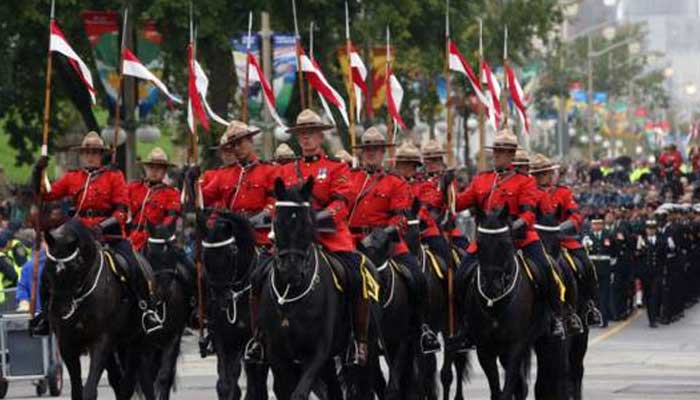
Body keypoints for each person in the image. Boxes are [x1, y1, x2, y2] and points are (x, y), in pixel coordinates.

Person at [30, 131, 163, 335]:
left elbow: (121, 211)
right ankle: (46, 316)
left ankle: (147, 310)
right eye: (87, 152)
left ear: (101, 155)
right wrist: (38, 171)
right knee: (51, 267)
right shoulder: (72, 177)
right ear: (82, 155)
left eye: (95, 152)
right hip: (76, 236)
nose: (90, 156)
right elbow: (45, 195)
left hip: (107, 234)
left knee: (132, 263)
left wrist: (101, 227)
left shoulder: (114, 176)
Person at [269, 109, 369, 365]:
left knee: (356, 278)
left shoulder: (336, 168)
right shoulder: (286, 171)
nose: (306, 139)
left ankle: (358, 341)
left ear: (320, 137)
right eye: (302, 134)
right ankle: (261, 338)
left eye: (311, 133)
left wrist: (317, 218)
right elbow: (276, 205)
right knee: (259, 275)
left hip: (331, 237)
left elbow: (342, 203)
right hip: (295, 241)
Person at [455, 130, 566, 338]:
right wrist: (447, 189)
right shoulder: (482, 180)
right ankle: (465, 326)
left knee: (547, 271)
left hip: (519, 239)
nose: (497, 155)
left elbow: (529, 214)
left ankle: (555, 317)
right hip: (487, 241)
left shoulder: (525, 182)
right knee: (461, 275)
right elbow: (459, 203)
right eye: (496, 151)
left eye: (502, 152)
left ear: (512, 155)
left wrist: (514, 227)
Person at [348, 127, 440, 354]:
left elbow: (401, 216)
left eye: (376, 150)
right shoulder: (350, 179)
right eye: (367, 149)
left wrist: (384, 233)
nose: (371, 154)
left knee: (417, 277)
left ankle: (423, 329)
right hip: (353, 242)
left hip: (386, 243)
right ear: (362, 153)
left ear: (383, 154)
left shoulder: (395, 182)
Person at [393, 142, 451, 263]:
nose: (409, 168)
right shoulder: (391, 183)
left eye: (412, 165)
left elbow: (428, 206)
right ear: (397, 165)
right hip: (397, 230)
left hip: (424, 229)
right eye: (404, 164)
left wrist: (417, 219)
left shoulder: (424, 184)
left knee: (446, 256)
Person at [128, 147, 181, 252]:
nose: (154, 171)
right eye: (151, 167)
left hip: (157, 240)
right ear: (146, 168)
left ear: (165, 171)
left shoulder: (171, 193)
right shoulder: (133, 188)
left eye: (159, 168)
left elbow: (171, 217)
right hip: (132, 239)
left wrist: (159, 230)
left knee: (185, 263)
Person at [582, 214, 614, 328]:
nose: (597, 226)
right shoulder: (587, 237)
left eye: (599, 223)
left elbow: (614, 253)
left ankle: (604, 319)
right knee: (593, 295)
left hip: (605, 269)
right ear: (591, 225)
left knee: (604, 295)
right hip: (592, 269)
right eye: (595, 224)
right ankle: (594, 317)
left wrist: (612, 270)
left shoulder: (608, 235)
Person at [636, 220, 665, 328]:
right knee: (648, 296)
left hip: (657, 272)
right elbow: (637, 257)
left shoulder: (661, 240)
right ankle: (651, 317)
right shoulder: (642, 241)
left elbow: (663, 256)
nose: (650, 231)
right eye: (648, 228)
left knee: (655, 294)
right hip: (645, 273)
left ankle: (654, 318)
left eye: (652, 228)